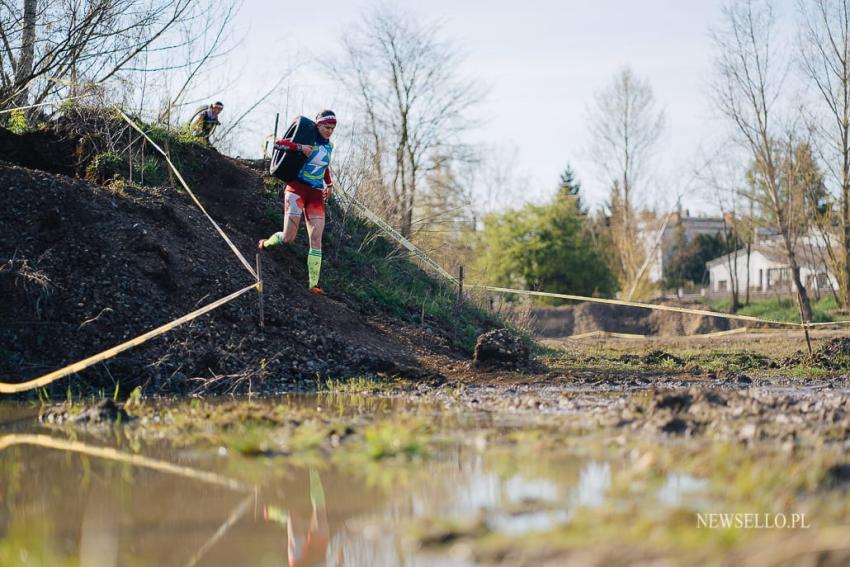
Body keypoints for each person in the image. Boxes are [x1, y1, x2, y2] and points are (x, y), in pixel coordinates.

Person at [258, 110, 336, 294]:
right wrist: (300, 148)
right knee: (288, 238)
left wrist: (329, 183)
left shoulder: (330, 146)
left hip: (316, 194)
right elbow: (279, 144)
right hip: (296, 190)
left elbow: (323, 165)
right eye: (326, 127)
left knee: (316, 239)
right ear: (318, 124)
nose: (329, 131)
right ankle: (265, 244)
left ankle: (313, 285)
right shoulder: (307, 139)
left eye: (332, 128)